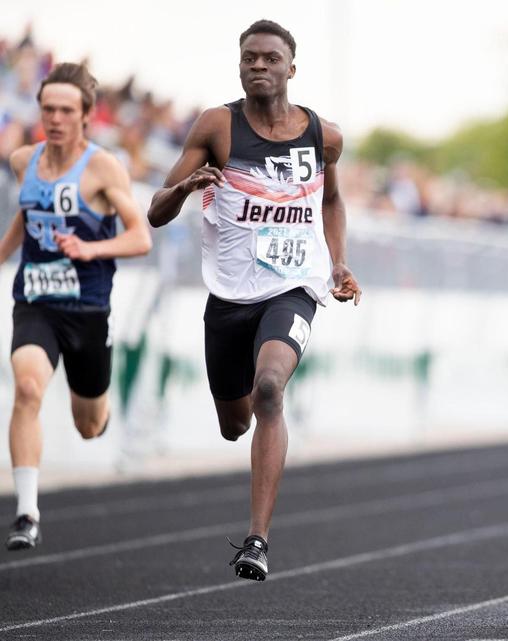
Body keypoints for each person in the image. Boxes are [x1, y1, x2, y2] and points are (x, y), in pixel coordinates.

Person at [147, 20, 361, 581]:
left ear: (292, 68)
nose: (259, 66)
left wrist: (336, 262)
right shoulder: (218, 126)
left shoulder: (323, 135)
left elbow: (332, 201)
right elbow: (156, 210)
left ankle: (257, 540)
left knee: (271, 387)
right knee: (234, 423)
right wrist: (186, 189)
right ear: (239, 66)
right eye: (249, 59)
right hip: (229, 296)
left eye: (270, 58)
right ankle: (240, 424)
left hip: (294, 286)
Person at [0, 63, 152, 550]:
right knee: (26, 387)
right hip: (36, 301)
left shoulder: (103, 166)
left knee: (88, 426)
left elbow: (139, 237)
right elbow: (26, 218)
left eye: (66, 110)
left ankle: (100, 408)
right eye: (48, 109)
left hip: (87, 309)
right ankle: (27, 511)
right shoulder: (25, 160)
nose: (56, 118)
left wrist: (91, 249)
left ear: (86, 115)